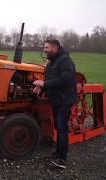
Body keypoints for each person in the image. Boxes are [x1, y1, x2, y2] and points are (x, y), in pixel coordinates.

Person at [33, 39, 78, 169]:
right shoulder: (52, 62)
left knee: (62, 128)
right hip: (56, 100)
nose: (44, 50)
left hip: (65, 100)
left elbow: (65, 79)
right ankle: (58, 153)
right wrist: (41, 87)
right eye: (44, 47)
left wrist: (44, 84)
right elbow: (50, 80)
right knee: (58, 127)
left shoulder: (65, 61)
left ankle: (62, 159)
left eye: (47, 47)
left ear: (55, 47)